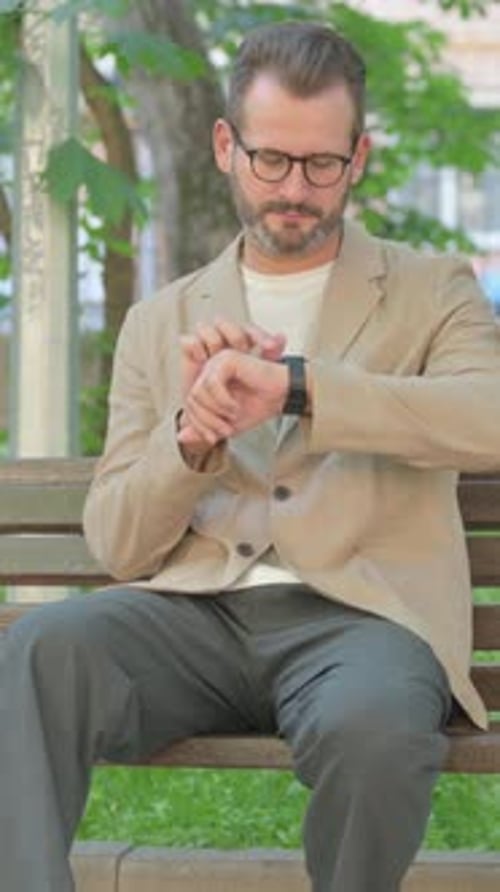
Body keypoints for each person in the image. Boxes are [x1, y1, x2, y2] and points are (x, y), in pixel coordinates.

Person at [1, 20, 500, 892]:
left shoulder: (434, 287)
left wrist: (300, 388)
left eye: (322, 165)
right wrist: (191, 437)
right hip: (198, 617)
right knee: (39, 651)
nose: (295, 190)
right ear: (227, 145)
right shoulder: (162, 320)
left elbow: (488, 416)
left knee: (375, 730)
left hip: (364, 622)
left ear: (361, 156)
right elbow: (118, 541)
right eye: (272, 160)